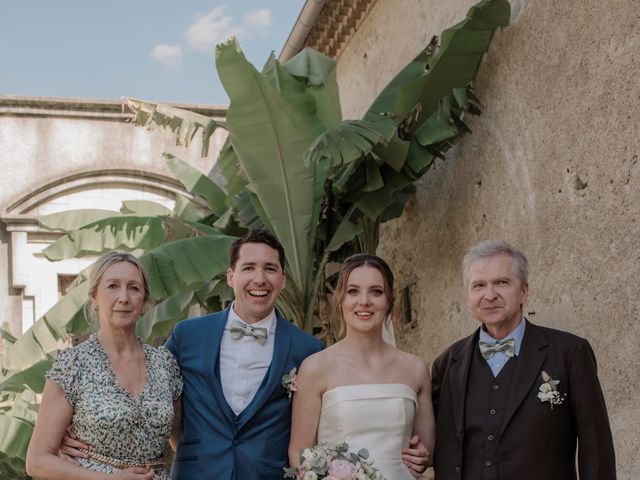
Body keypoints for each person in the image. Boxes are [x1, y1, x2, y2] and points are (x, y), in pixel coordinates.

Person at [431, 240, 616, 479]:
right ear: (469, 294)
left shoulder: (570, 353)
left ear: (524, 291)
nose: (489, 295)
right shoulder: (447, 364)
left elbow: (596, 452)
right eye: (478, 285)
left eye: (502, 283)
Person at [26, 251, 183, 480]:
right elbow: (37, 461)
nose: (124, 297)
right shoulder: (73, 365)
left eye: (134, 288)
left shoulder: (165, 364)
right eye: (112, 286)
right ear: (94, 297)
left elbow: (182, 445)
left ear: (144, 301)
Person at [289, 253, 436, 479]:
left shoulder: (415, 369)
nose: (364, 301)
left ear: (389, 299)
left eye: (376, 292)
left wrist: (422, 457)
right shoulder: (315, 368)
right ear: (340, 299)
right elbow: (299, 451)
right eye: (353, 291)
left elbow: (426, 451)